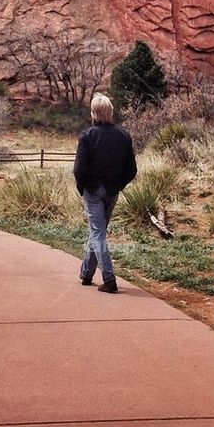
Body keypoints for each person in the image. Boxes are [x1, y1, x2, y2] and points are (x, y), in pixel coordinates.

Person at [73, 92, 137, 293]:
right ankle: (86, 274)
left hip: (92, 190)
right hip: (112, 191)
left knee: (97, 232)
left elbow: (79, 169)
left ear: (93, 112)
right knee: (97, 231)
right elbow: (132, 170)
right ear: (110, 111)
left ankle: (109, 279)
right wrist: (119, 185)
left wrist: (81, 187)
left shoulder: (87, 136)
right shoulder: (123, 136)